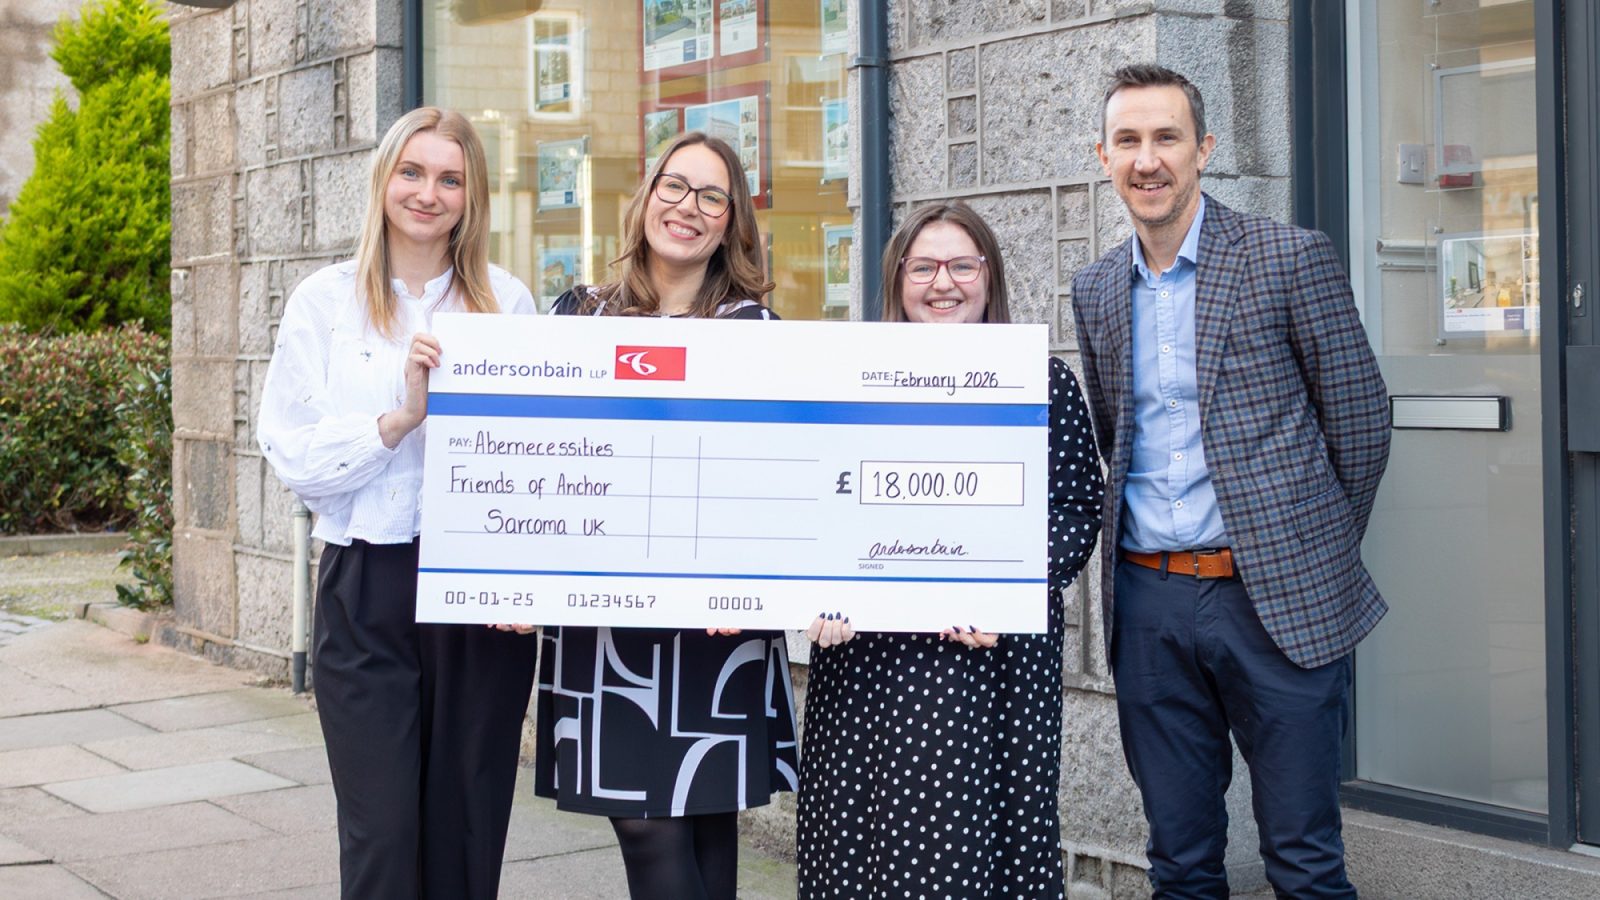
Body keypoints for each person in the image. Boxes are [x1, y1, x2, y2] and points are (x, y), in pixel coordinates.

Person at [1070, 64, 1391, 898]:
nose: (1148, 160)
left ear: (1203, 149)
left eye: (1167, 137)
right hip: (1149, 605)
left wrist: (1301, 550)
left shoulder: (1287, 258)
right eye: (1129, 141)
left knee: (1305, 858)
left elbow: (1359, 422)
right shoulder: (1098, 288)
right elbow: (1116, 434)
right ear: (1102, 156)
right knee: (1178, 860)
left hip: (1272, 601)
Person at [257, 107, 539, 899]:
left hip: (476, 598)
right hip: (365, 585)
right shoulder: (326, 302)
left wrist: (528, 582)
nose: (429, 193)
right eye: (413, 172)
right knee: (381, 834)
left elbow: (538, 462)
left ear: (471, 196)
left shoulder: (505, 305)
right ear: (385, 180)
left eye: (450, 178)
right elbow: (292, 454)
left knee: (466, 828)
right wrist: (398, 420)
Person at [796, 201, 1104, 898]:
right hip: (872, 658)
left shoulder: (1042, 385)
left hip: (995, 659)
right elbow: (810, 502)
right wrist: (812, 595)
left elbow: (1079, 507)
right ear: (897, 278)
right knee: (867, 844)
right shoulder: (847, 384)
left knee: (981, 844)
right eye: (925, 266)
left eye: (963, 265)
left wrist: (1014, 587)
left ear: (989, 278)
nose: (944, 282)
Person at [532, 131, 796, 900]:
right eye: (674, 187)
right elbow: (540, 459)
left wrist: (753, 583)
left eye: (711, 196)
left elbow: (782, 485)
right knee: (649, 829)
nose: (688, 207)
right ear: (646, 197)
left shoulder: (759, 334)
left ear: (732, 222)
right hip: (607, 631)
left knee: (709, 827)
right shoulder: (575, 318)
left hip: (717, 625)